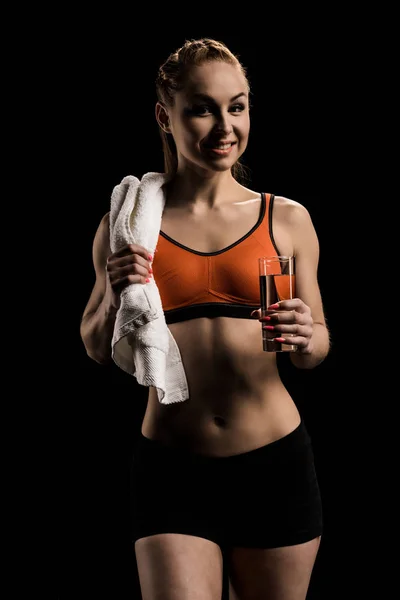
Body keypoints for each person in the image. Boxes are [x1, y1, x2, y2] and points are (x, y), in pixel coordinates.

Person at [80, 38, 331, 600]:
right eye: (202, 108)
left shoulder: (285, 219)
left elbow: (314, 350)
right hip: (172, 468)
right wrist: (116, 289)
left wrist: (307, 333)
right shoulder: (127, 226)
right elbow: (97, 344)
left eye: (237, 107)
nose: (224, 127)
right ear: (164, 116)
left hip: (275, 464)